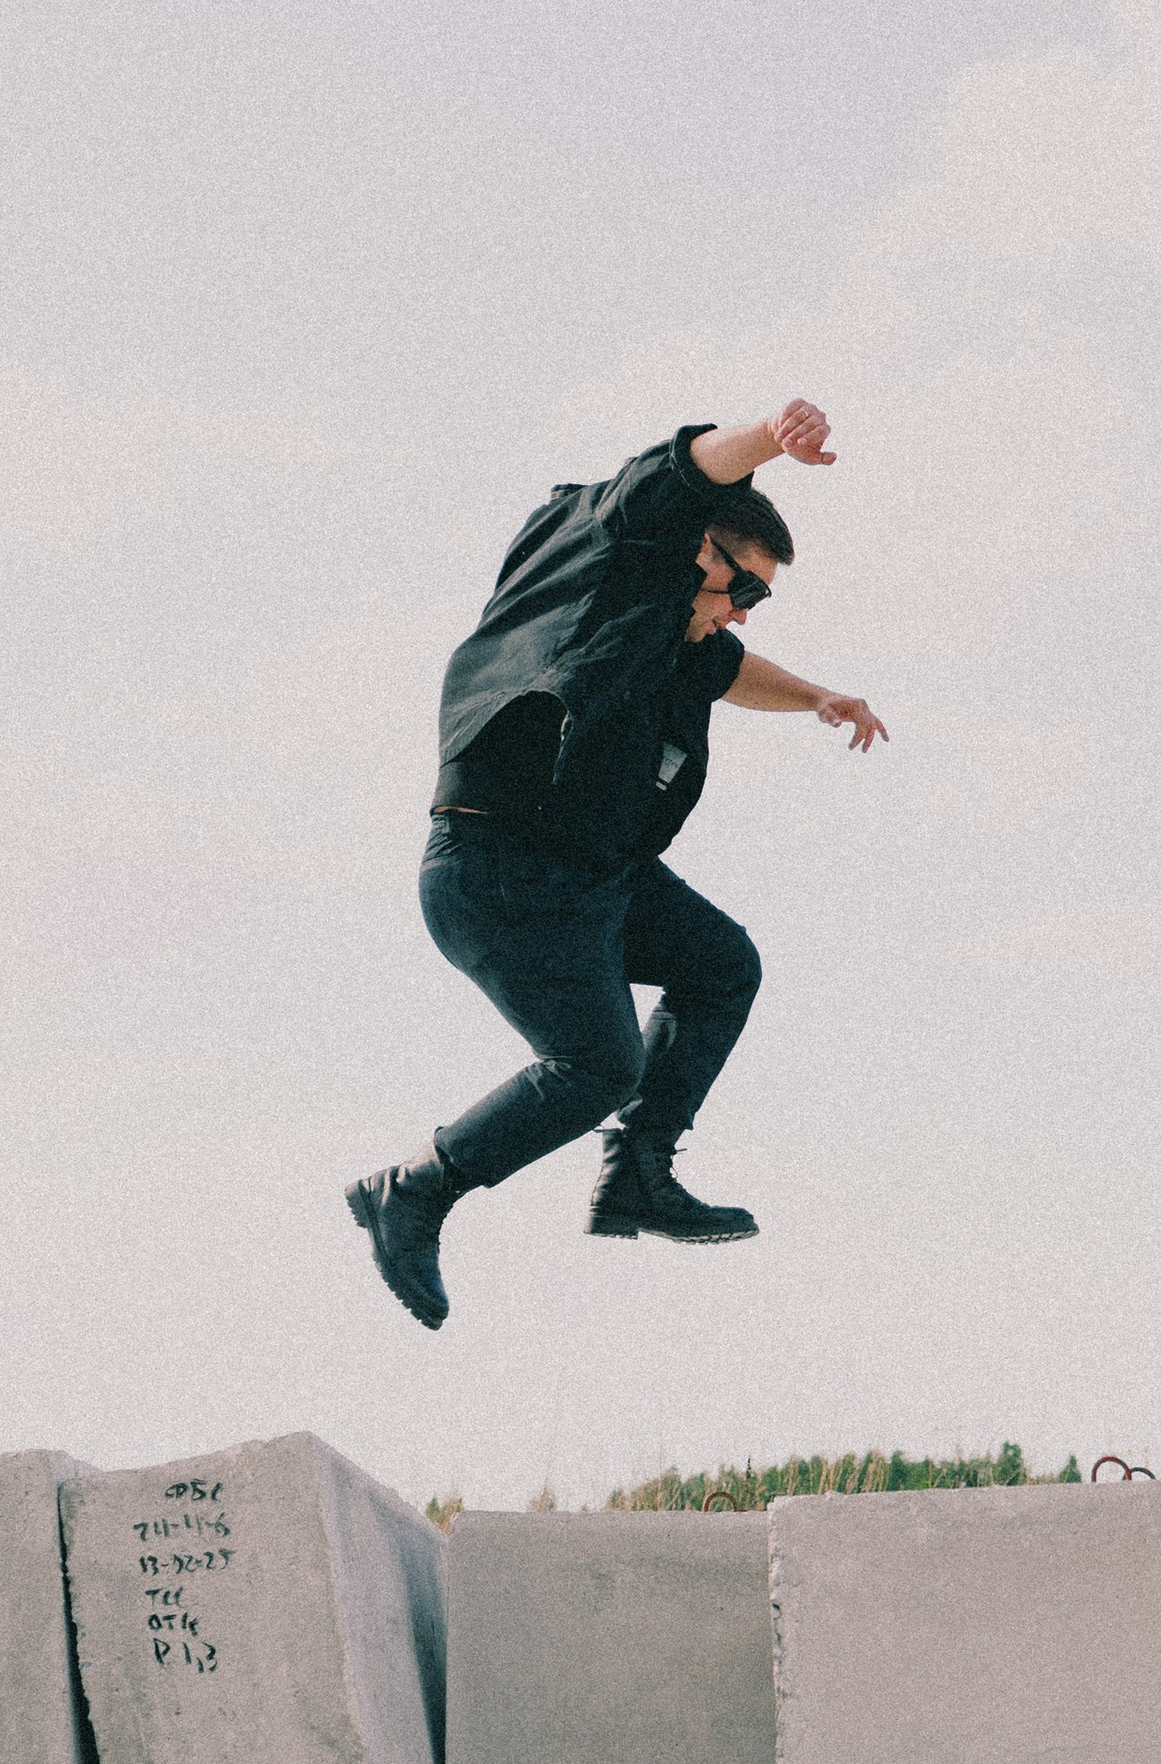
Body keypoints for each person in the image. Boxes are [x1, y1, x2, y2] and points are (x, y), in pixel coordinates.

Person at [349, 401, 888, 1329]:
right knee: (598, 1064)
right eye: (741, 589)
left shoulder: (672, 634)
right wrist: (770, 438)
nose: (738, 612)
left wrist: (818, 698)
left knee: (722, 965)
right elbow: (678, 475)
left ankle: (640, 1169)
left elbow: (727, 667)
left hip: (595, 875)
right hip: (503, 871)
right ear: (696, 549)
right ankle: (416, 1188)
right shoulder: (619, 549)